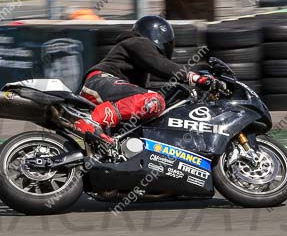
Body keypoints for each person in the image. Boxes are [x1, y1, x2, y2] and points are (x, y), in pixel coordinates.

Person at [73, 15, 219, 149]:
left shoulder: (137, 57)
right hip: (100, 82)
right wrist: (195, 78)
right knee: (154, 100)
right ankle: (91, 121)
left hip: (102, 86)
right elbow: (161, 65)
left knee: (145, 108)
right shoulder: (137, 42)